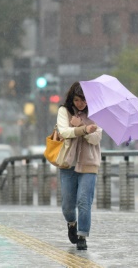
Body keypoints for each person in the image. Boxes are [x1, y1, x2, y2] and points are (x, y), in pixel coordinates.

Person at [56, 81, 102, 250]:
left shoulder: (96, 113)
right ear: (72, 99)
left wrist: (84, 128)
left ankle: (82, 235)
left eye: (83, 100)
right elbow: (64, 132)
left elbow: (95, 139)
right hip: (68, 163)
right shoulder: (64, 111)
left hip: (89, 163)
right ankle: (71, 223)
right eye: (77, 100)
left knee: (84, 201)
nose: (80, 104)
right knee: (68, 206)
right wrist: (83, 129)